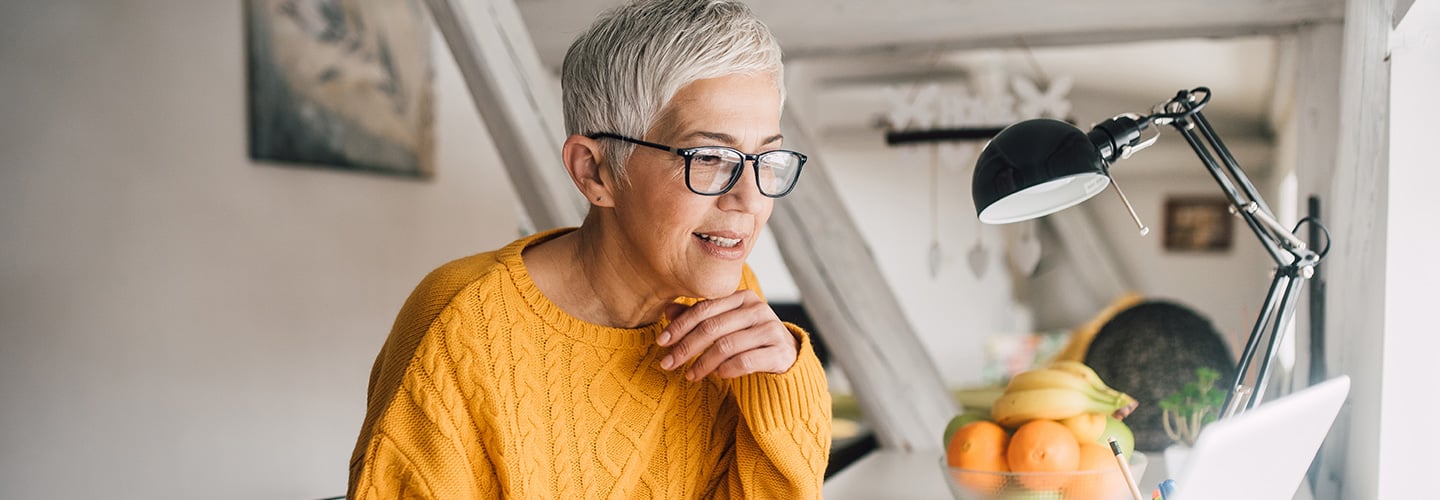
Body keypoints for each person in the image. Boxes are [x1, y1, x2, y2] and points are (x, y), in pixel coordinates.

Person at [346, 0, 832, 498]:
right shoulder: (462, 328)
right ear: (594, 172)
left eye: (766, 157)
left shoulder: (722, 304)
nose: (750, 199)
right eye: (708, 157)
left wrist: (784, 380)